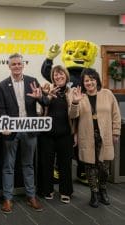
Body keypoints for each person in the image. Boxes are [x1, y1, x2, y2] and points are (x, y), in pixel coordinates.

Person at [0, 53, 49, 213]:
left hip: (29, 130)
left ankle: (31, 196)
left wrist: (40, 97)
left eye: (19, 64)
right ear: (9, 66)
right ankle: (7, 199)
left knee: (28, 164)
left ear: (23, 64)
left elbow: (46, 102)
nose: (17, 66)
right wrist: (4, 125)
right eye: (14, 64)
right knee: (8, 166)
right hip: (10, 131)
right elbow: (2, 110)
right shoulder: (2, 85)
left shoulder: (32, 81)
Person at [41, 40, 98, 184]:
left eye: (84, 53)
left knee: (83, 146)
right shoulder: (64, 77)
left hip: (84, 116)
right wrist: (49, 59)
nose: (77, 55)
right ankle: (58, 170)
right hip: (66, 119)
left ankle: (82, 171)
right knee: (64, 149)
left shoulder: (88, 76)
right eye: (72, 52)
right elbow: (49, 73)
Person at [70, 68, 121, 208]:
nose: (90, 82)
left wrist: (116, 132)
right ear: (83, 82)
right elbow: (72, 116)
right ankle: (94, 193)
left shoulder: (107, 94)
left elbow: (116, 114)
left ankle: (103, 189)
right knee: (90, 166)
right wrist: (75, 102)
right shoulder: (78, 95)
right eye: (86, 80)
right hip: (87, 136)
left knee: (104, 168)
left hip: (105, 136)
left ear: (97, 80)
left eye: (92, 79)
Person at [38, 65, 74, 204]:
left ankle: (66, 191)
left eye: (61, 74)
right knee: (46, 163)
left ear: (66, 76)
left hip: (65, 134)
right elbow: (41, 107)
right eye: (55, 75)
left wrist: (75, 134)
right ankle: (48, 189)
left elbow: (75, 115)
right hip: (47, 135)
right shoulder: (47, 89)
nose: (58, 77)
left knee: (65, 164)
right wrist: (47, 95)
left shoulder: (71, 92)